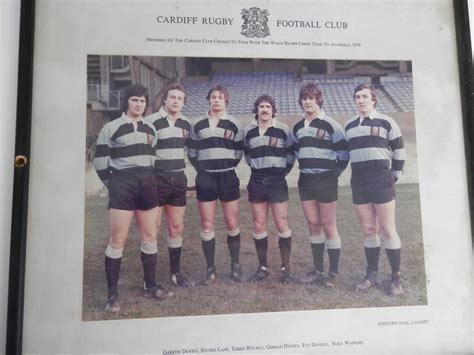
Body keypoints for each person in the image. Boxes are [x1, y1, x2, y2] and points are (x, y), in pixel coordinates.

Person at [93, 84, 173, 314]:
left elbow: (153, 156)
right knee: (118, 239)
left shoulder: (151, 128)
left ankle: (150, 286)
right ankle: (112, 295)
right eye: (134, 100)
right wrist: (115, 185)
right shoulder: (111, 127)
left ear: (146, 104)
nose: (138, 104)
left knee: (150, 235)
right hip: (122, 183)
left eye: (142, 101)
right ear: (126, 102)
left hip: (147, 183)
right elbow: (100, 163)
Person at [344, 83, 405, 296]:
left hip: (381, 179)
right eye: (357, 97)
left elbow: (399, 150)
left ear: (373, 100)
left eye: (364, 96)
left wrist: (394, 175)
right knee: (369, 229)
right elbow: (344, 154)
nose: (360, 100)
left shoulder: (387, 121)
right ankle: (371, 275)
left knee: (388, 228)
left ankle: (396, 279)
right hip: (359, 181)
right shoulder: (349, 126)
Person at [292, 83, 349, 288]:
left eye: (311, 98)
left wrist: (333, 173)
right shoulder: (297, 127)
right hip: (306, 179)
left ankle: (332, 273)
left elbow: (343, 153)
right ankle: (317, 270)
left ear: (318, 100)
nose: (307, 101)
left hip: (326, 179)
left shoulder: (331, 124)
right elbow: (297, 152)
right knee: (313, 225)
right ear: (301, 101)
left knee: (328, 224)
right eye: (304, 98)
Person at [188, 85, 245, 284]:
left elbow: (238, 153)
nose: (216, 100)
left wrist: (224, 165)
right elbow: (192, 154)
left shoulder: (235, 124)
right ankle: (210, 269)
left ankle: (235, 266)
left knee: (232, 222)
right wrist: (205, 168)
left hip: (228, 177)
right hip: (205, 178)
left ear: (226, 101)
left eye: (220, 97)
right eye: (213, 97)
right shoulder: (197, 124)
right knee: (207, 224)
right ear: (209, 100)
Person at [144, 83, 195, 287]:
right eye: (172, 97)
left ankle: (176, 274)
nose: (175, 101)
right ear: (164, 100)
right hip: (156, 179)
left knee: (176, 227)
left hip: (178, 178)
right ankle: (150, 279)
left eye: (179, 98)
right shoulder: (151, 122)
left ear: (183, 103)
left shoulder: (186, 124)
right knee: (153, 228)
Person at [243, 94, 295, 284]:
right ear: (256, 110)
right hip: (257, 179)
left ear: (273, 110)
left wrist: (279, 172)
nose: (264, 110)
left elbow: (290, 156)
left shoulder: (283, 130)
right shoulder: (248, 131)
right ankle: (262, 267)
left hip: (277, 180)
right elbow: (248, 156)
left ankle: (285, 267)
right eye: (261, 106)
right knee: (259, 223)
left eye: (268, 106)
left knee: (281, 222)